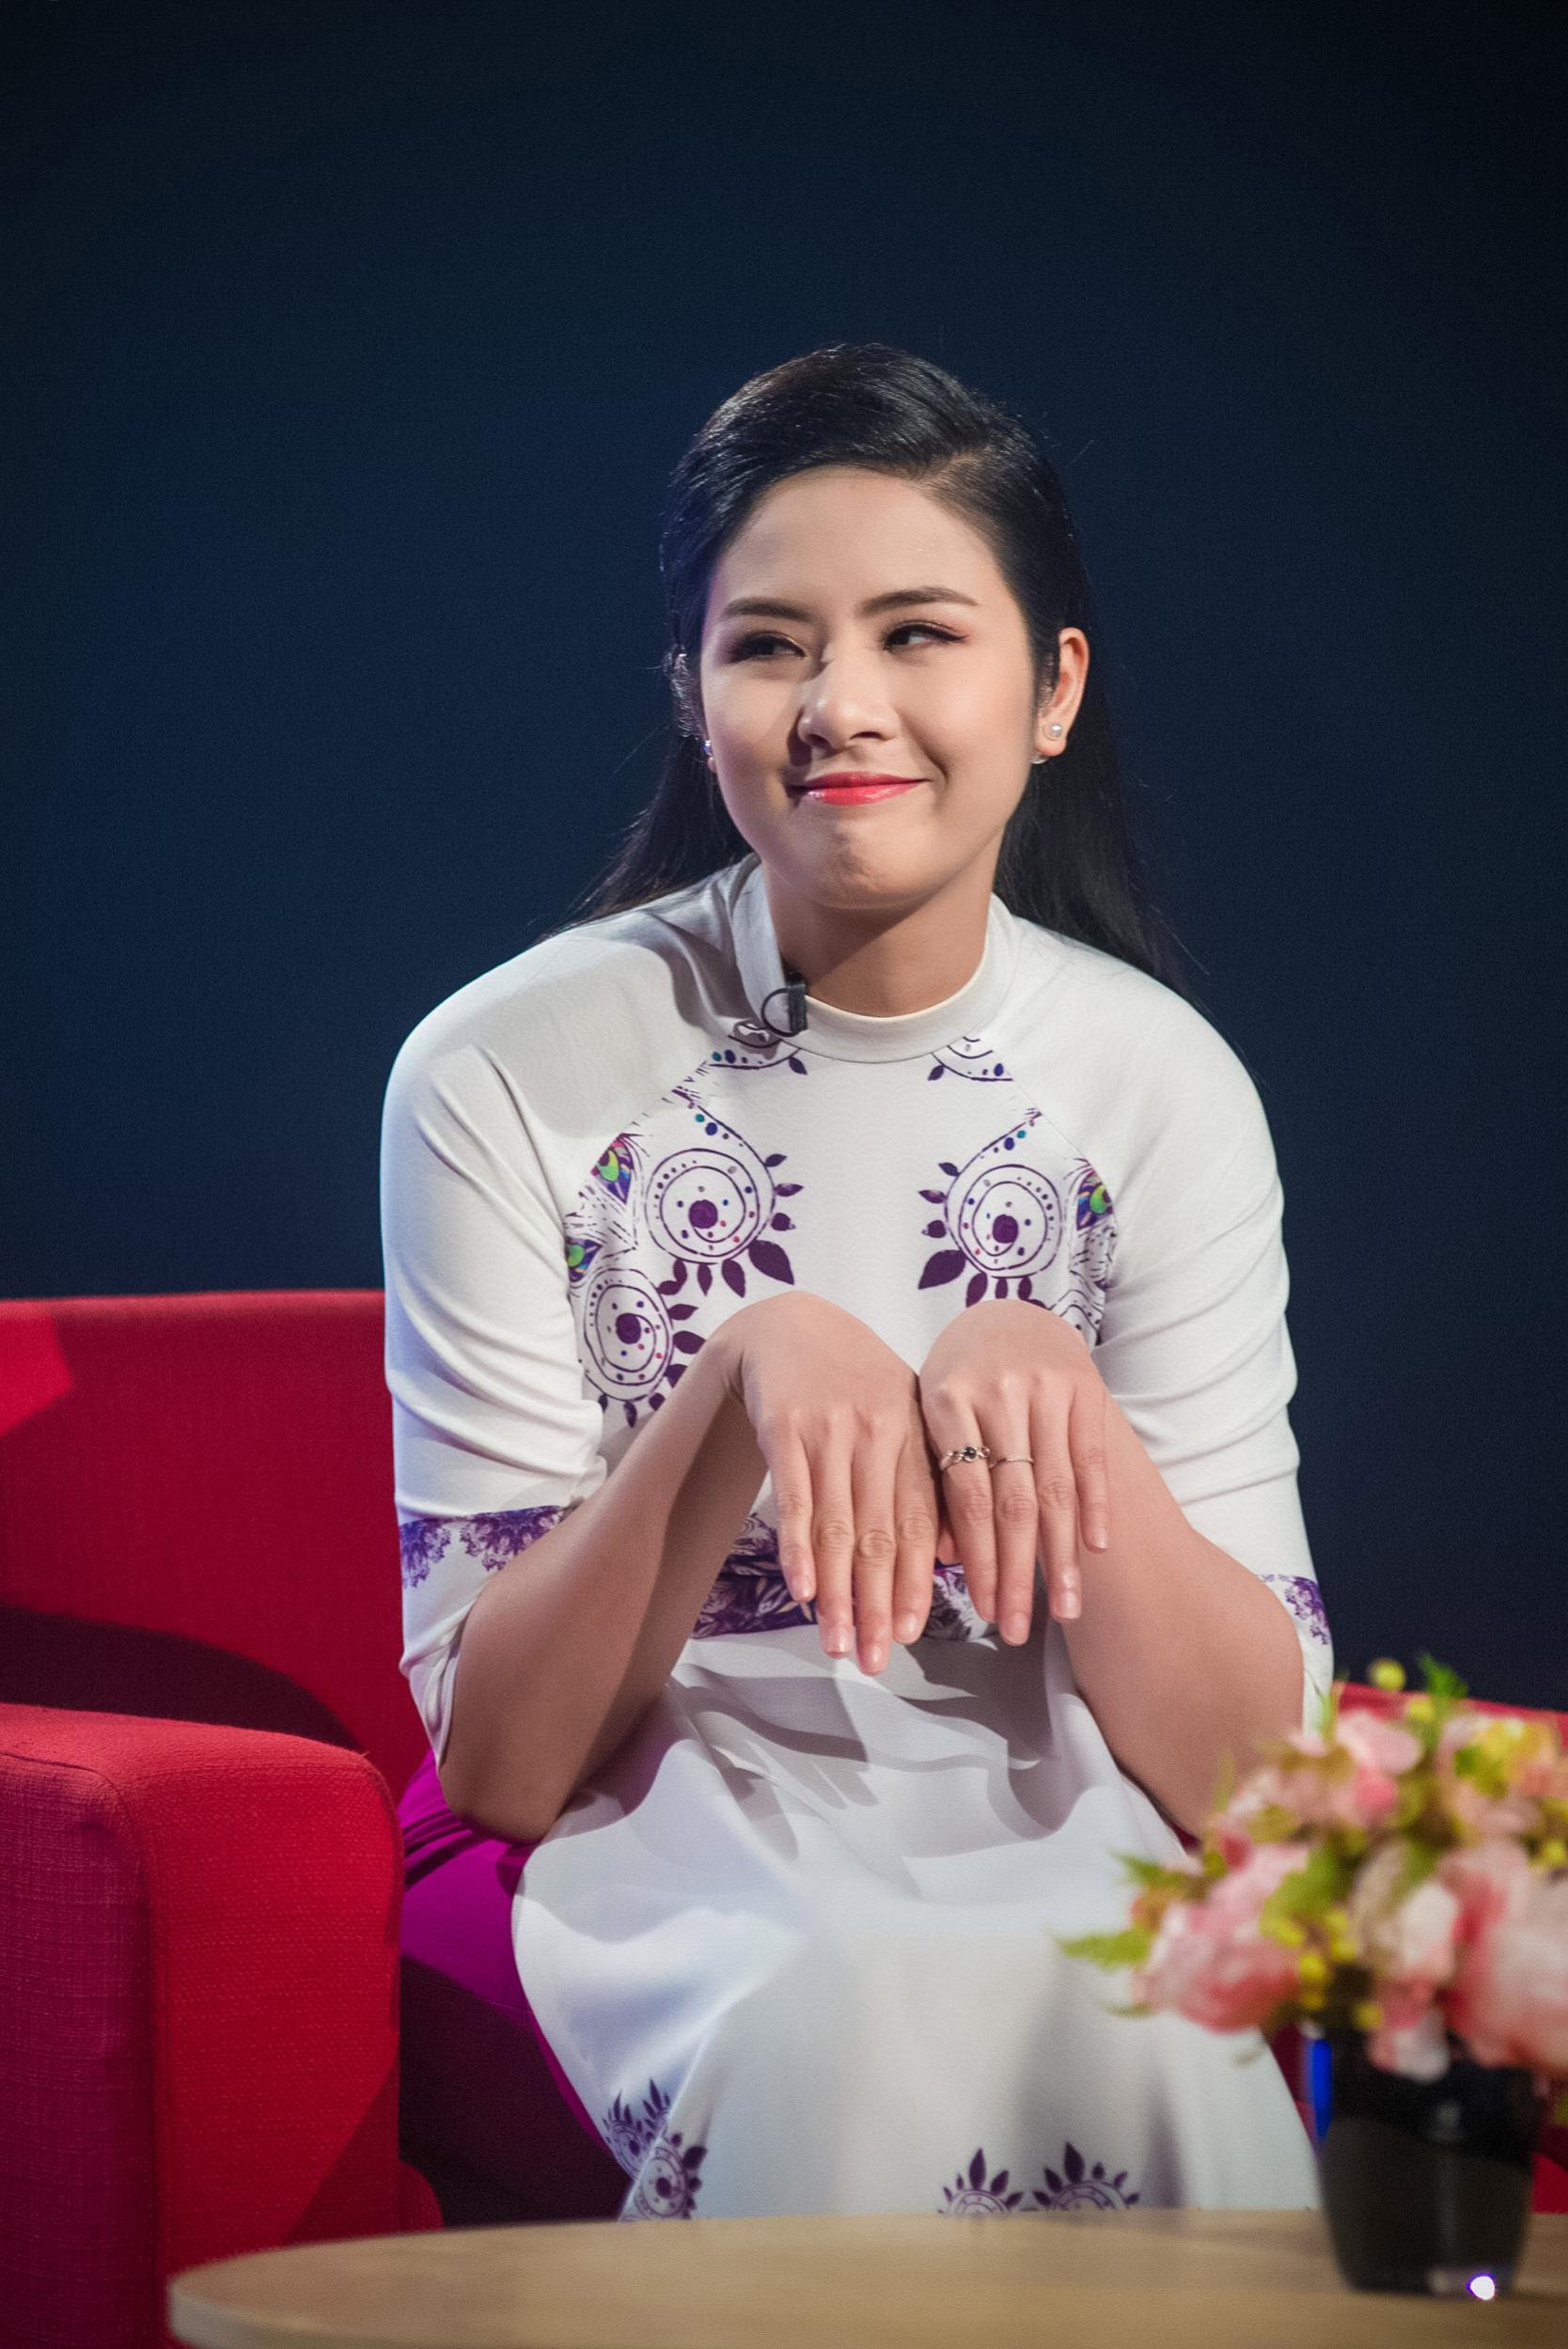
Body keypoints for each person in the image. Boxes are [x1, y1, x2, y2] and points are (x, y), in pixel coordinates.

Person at [381, 342, 1334, 2223]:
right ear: (691, 694)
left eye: (918, 634)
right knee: (845, 2001)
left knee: (1149, 2012)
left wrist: (1059, 1410)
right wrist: (740, 1382)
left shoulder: (1162, 1086)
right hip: (646, 1820)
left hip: (1050, 1812)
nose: (842, 706)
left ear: (1052, 688)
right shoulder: (499, 1069)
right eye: (769, 645)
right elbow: (501, 1761)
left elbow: (1254, 1776)